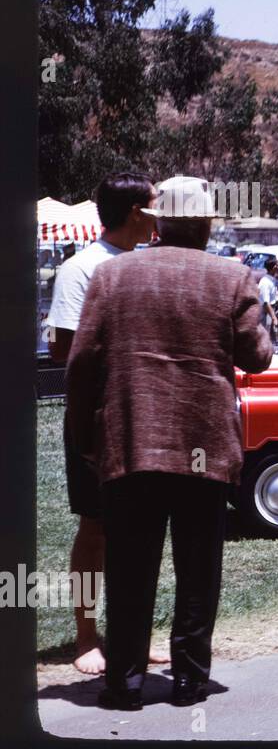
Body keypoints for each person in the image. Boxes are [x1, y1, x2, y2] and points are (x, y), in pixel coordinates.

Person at [66, 175, 273, 710]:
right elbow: (257, 358)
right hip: (203, 446)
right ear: (206, 225)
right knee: (198, 566)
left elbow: (82, 363)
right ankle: (188, 679)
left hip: (132, 443)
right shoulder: (234, 278)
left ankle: (125, 681)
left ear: (158, 224)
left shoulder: (112, 276)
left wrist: (85, 439)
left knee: (130, 567)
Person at [47, 172, 166, 676]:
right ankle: (86, 635)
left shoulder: (149, 265)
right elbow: (62, 349)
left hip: (148, 418)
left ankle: (134, 633)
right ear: (135, 212)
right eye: (154, 207)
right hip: (98, 420)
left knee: (141, 529)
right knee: (96, 528)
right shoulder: (80, 269)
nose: (160, 217)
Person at [258, 257, 278, 340]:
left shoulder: (272, 280)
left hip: (271, 311)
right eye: (277, 265)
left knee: (273, 337)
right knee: (266, 336)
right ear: (273, 268)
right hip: (266, 313)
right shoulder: (265, 282)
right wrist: (274, 318)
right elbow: (266, 303)